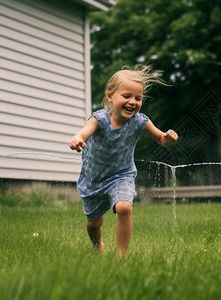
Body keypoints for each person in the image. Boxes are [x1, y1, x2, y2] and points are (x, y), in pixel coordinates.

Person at [69, 65, 178, 255]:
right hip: (93, 178)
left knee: (124, 208)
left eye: (138, 98)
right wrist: (78, 138)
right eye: (126, 96)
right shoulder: (100, 119)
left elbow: (161, 138)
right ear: (110, 96)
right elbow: (84, 132)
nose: (133, 102)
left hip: (122, 175)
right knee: (94, 223)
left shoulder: (140, 121)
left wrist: (168, 138)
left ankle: (122, 258)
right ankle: (98, 247)